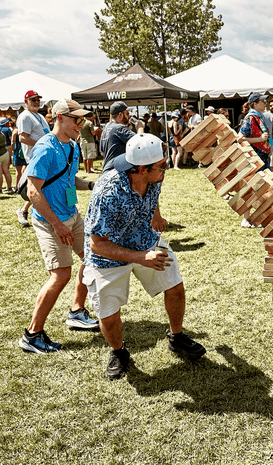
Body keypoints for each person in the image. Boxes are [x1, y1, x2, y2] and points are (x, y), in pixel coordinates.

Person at [83, 134, 204, 380]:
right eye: (162, 166)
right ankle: (119, 352)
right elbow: (96, 244)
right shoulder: (109, 191)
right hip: (108, 254)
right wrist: (139, 257)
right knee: (108, 311)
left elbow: (153, 194)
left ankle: (176, 337)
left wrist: (155, 216)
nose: (166, 168)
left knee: (175, 286)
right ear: (141, 169)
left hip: (146, 241)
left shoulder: (154, 175)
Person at [19, 100, 99, 354]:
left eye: (83, 120)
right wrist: (56, 225)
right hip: (50, 221)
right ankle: (32, 335)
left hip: (71, 215)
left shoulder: (73, 146)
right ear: (60, 118)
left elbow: (67, 177)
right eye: (77, 120)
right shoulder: (44, 147)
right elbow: (33, 192)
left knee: (92, 257)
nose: (82, 124)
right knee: (61, 274)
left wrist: (89, 185)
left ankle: (76, 311)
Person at [16, 90, 51, 226]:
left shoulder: (39, 116)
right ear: (26, 102)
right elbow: (22, 137)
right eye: (33, 100)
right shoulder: (25, 116)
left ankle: (25, 210)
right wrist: (41, 146)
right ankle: (28, 211)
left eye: (38, 99)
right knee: (37, 188)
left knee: (45, 187)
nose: (36, 102)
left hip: (46, 156)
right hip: (36, 157)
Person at [99, 102, 144, 173]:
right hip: (117, 173)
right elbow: (140, 143)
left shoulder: (106, 128)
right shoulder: (120, 128)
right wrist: (140, 128)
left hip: (107, 171)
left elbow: (102, 153)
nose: (129, 116)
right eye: (127, 114)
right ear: (120, 115)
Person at [237, 93, 272, 172]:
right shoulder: (250, 118)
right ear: (255, 104)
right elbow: (239, 139)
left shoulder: (259, 117)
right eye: (263, 101)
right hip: (256, 158)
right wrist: (259, 139)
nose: (265, 103)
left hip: (263, 157)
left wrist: (271, 147)